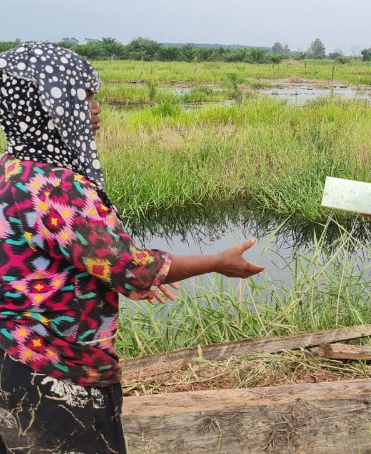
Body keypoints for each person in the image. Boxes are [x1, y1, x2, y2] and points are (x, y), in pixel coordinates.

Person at [0, 43, 265, 453]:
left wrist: (124, 267)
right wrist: (217, 262)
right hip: (58, 368)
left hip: (12, 354)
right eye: (82, 95)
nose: (95, 107)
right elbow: (130, 269)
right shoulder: (58, 187)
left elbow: (75, 257)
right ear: (44, 106)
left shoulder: (11, 170)